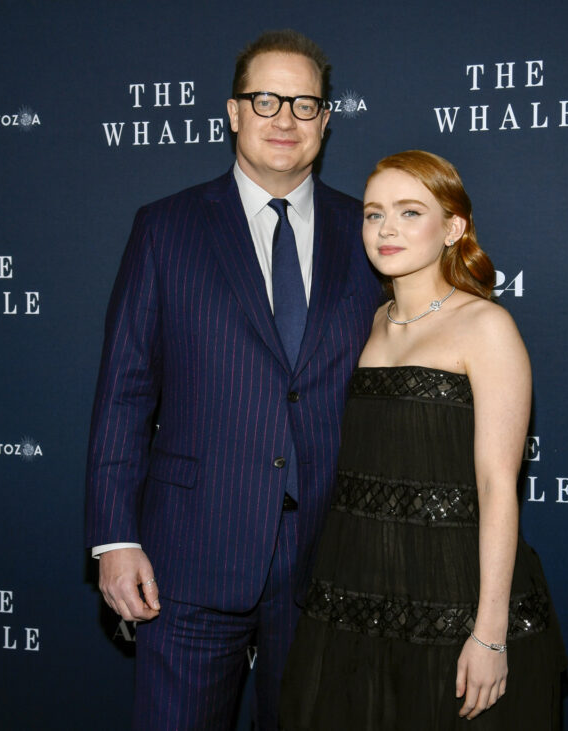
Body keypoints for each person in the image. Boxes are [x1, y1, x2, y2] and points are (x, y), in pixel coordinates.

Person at [85, 30, 381, 731]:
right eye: (266, 99)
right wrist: (113, 535)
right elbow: (124, 389)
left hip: (328, 562)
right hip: (188, 555)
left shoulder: (369, 233)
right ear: (232, 112)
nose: (285, 119)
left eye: (305, 104)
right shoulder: (166, 229)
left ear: (327, 120)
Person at [280, 150, 567, 729]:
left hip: (454, 595)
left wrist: (488, 632)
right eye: (373, 213)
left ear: (453, 228)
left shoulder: (486, 326)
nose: (386, 229)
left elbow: (496, 485)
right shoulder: (369, 322)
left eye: (410, 212)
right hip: (355, 592)